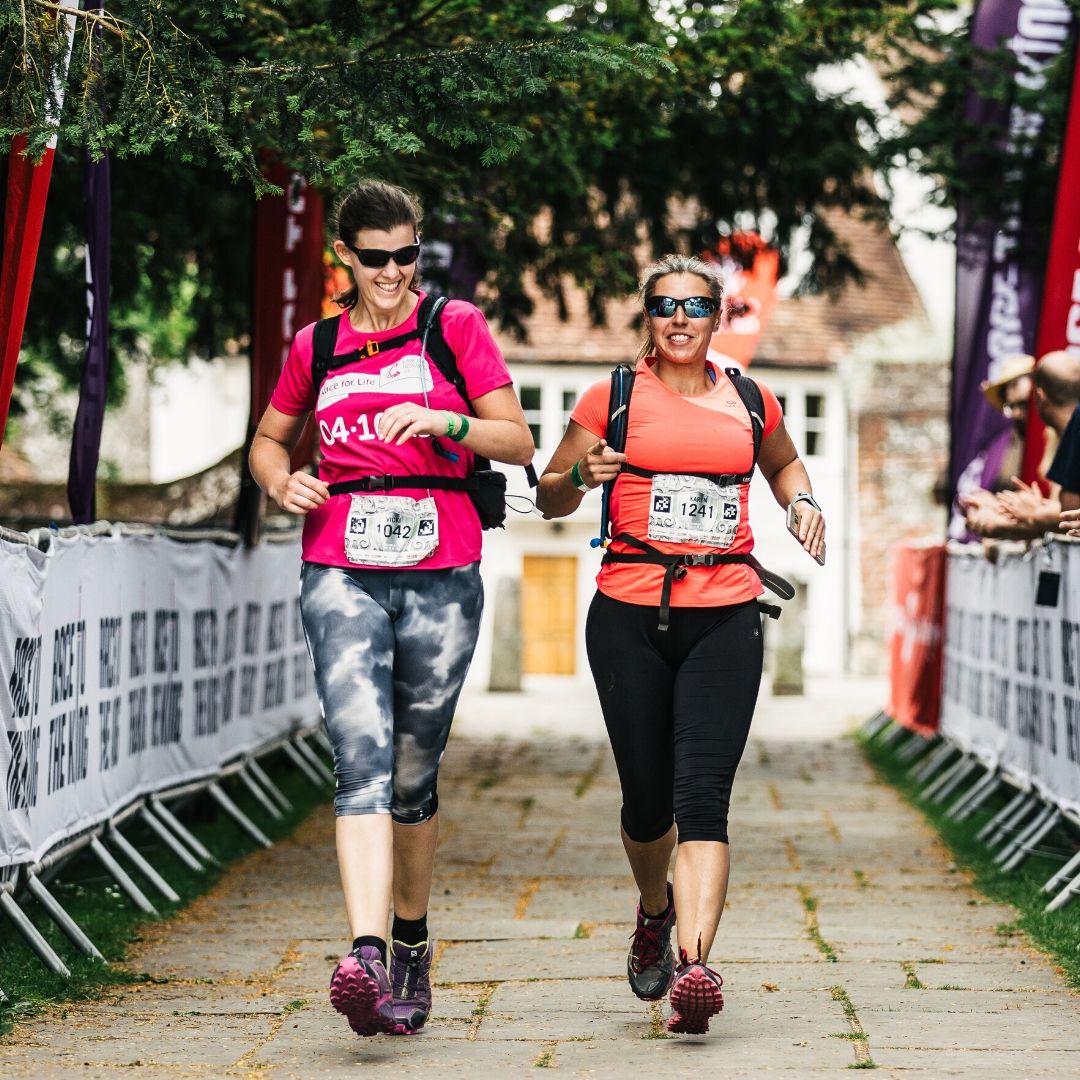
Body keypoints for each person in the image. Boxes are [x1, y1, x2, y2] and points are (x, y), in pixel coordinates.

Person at [250, 179, 533, 1038]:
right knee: (360, 759)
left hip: (441, 565)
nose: (393, 273)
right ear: (346, 256)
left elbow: (516, 439)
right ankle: (366, 955)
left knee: (414, 773)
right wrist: (280, 478)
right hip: (340, 562)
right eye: (376, 258)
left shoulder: (454, 327)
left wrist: (442, 419)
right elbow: (268, 439)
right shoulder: (318, 345)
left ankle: (411, 940)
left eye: (407, 256)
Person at [536, 254, 824, 1035]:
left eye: (697, 306)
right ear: (648, 316)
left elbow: (786, 465)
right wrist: (583, 475)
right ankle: (655, 910)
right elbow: (548, 495)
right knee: (646, 802)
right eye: (665, 305)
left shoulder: (752, 399)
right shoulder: (613, 396)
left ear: (717, 317)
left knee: (704, 801)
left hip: (724, 611)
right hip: (627, 612)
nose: (680, 319)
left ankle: (695, 970)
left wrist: (802, 503)